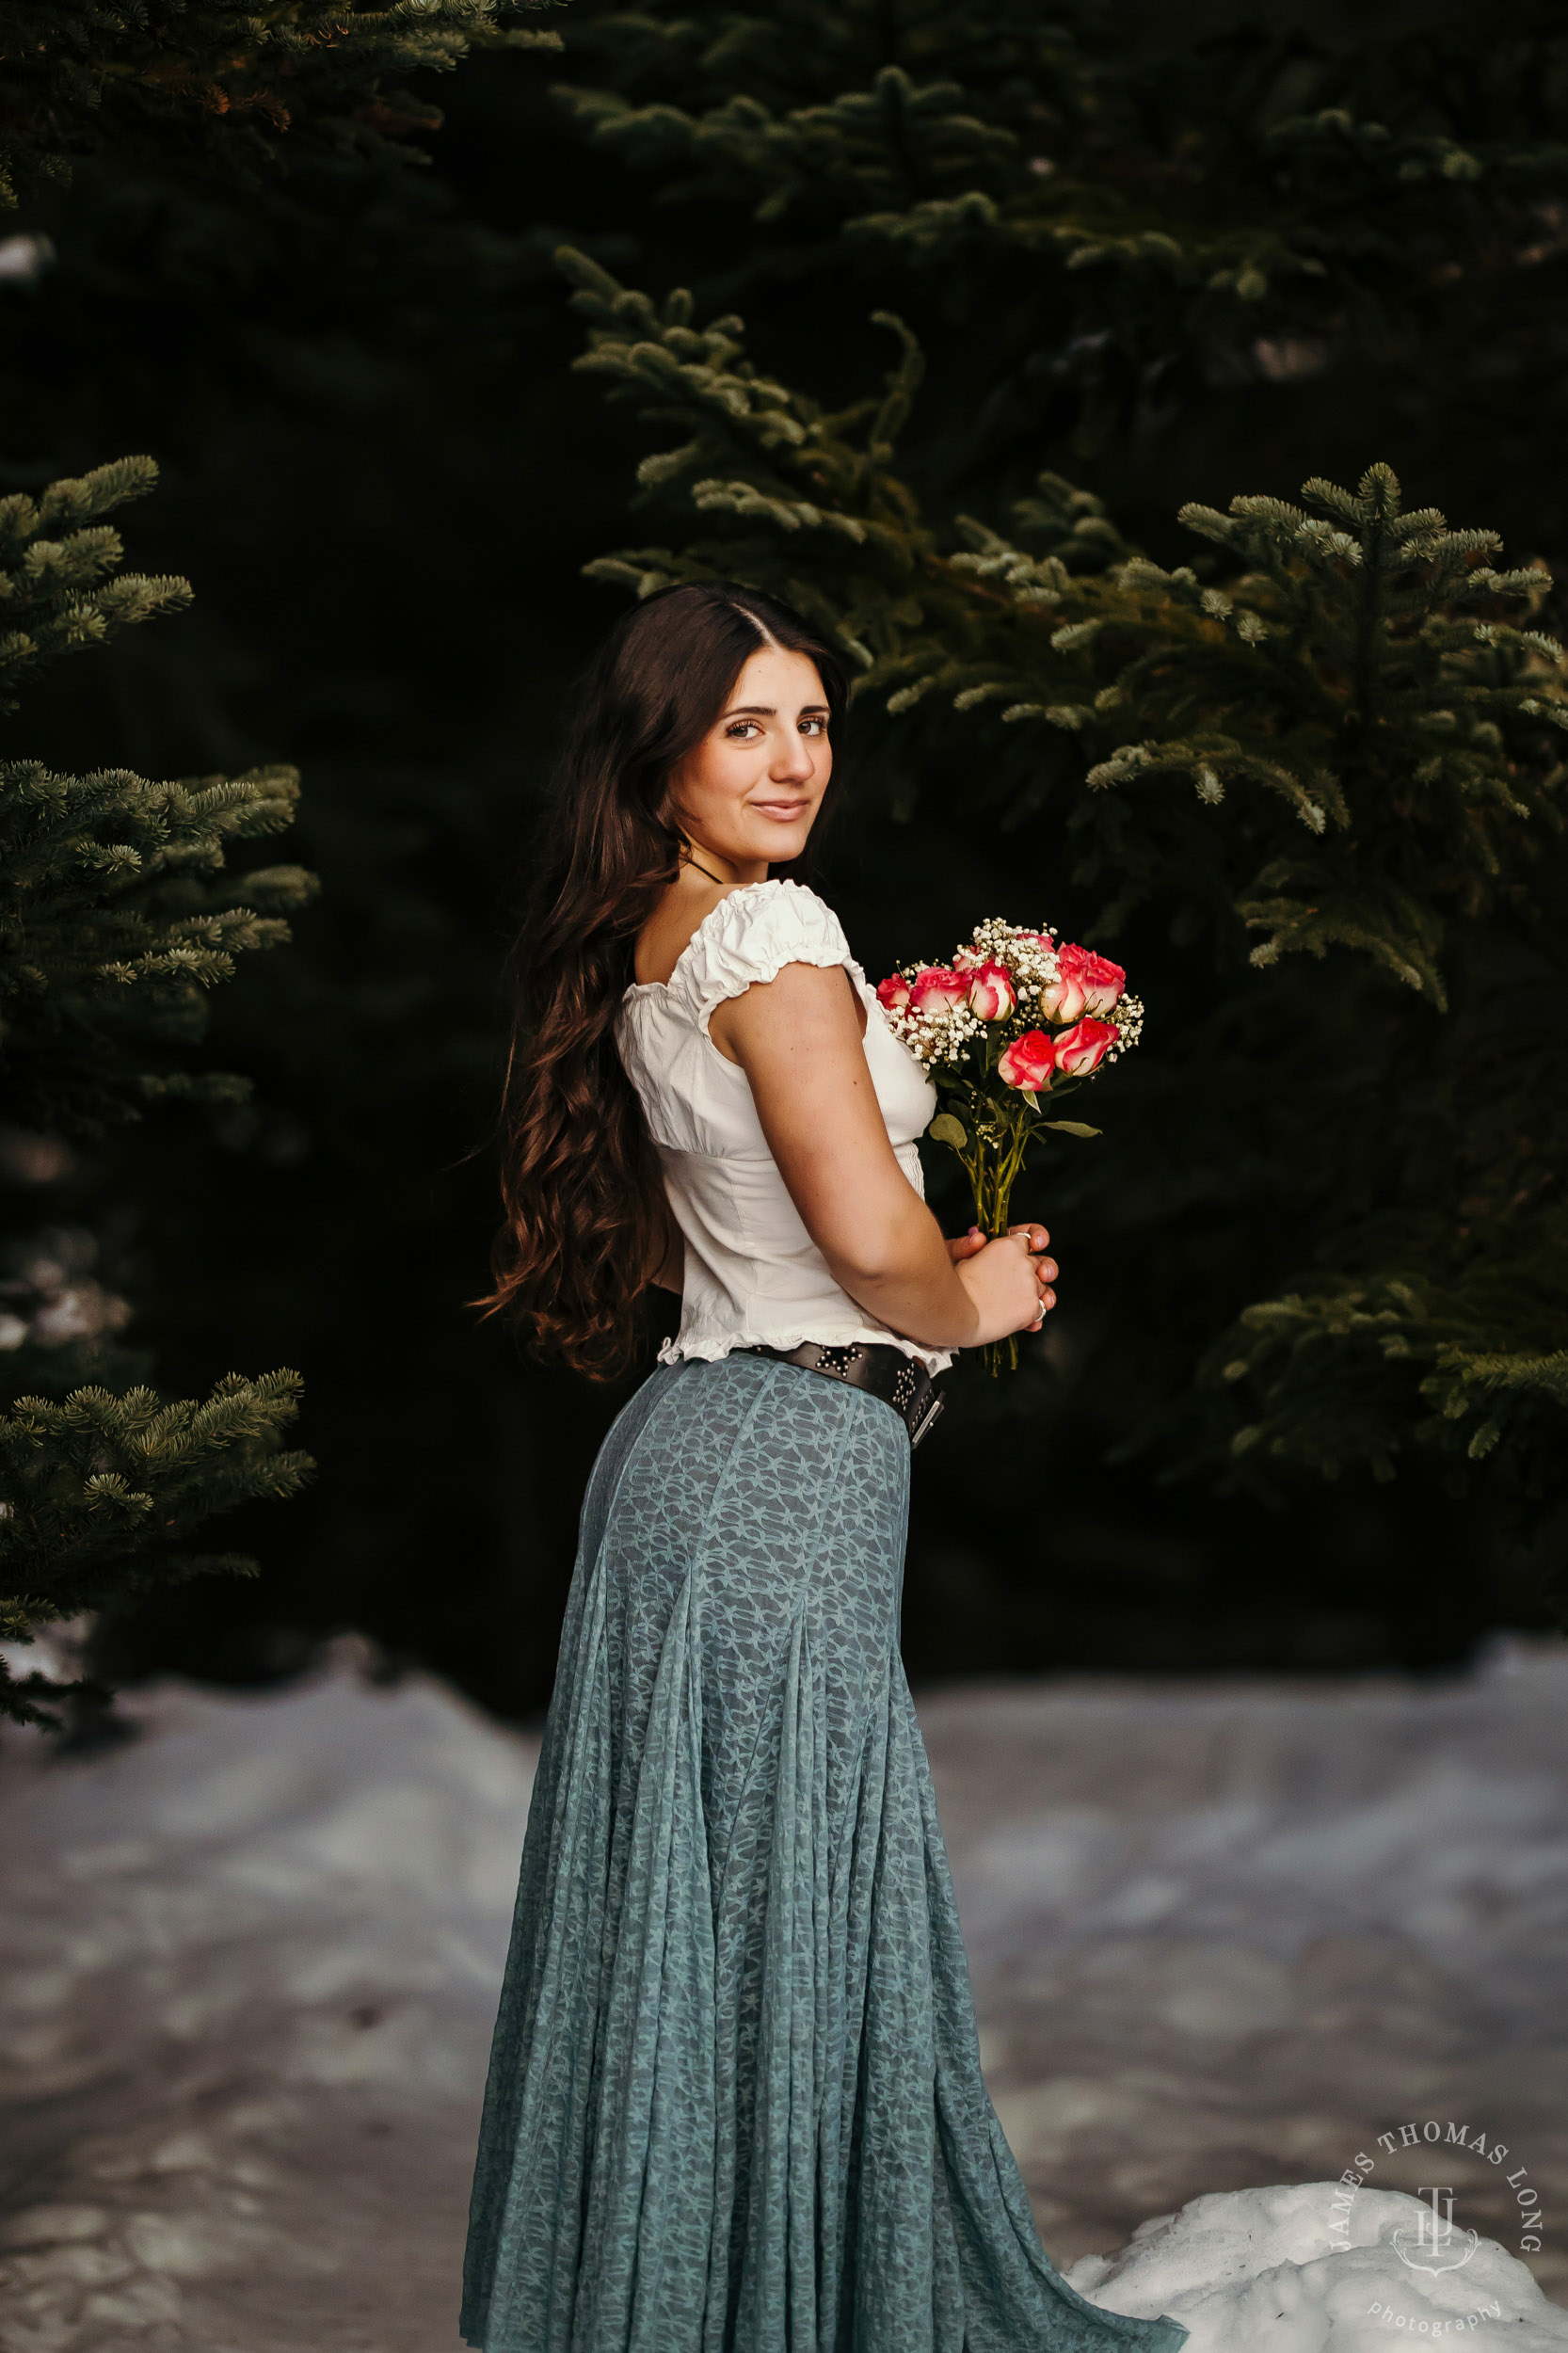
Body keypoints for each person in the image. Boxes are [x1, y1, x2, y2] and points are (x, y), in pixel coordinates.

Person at [459, 581, 1188, 2353]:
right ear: (659, 757)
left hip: (693, 1453)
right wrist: (978, 1293)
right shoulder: (773, 939)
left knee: (708, 1912)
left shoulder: (653, 939)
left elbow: (676, 1242)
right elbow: (869, 1247)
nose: (793, 763)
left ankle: (692, 2304)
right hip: (784, 1453)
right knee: (786, 1904)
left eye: (812, 722)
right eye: (745, 727)